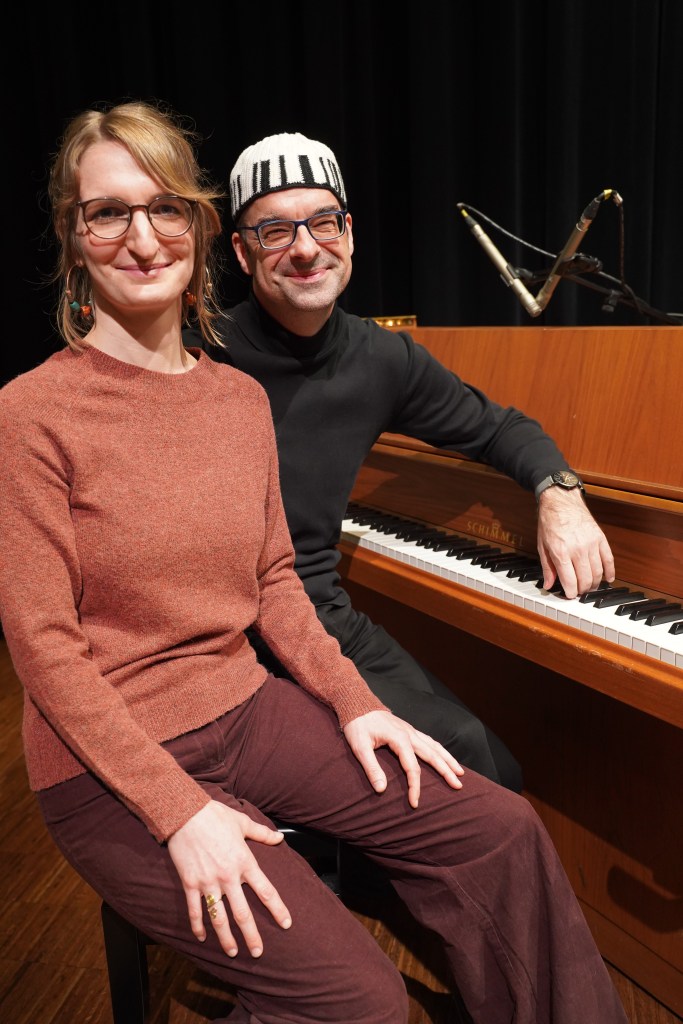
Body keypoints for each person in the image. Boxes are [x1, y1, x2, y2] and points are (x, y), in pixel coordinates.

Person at [0, 99, 628, 1024]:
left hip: (246, 706)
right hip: (109, 758)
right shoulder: (32, 410)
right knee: (360, 1003)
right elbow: (42, 644)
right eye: (108, 212)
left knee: (497, 826)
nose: (141, 236)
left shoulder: (236, 399)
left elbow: (275, 580)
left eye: (164, 207)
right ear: (73, 235)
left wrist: (356, 704)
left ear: (196, 229)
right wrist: (179, 810)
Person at [184, 131, 616, 794]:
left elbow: (500, 428)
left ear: (349, 233)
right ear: (242, 252)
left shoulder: (381, 358)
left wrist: (559, 493)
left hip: (324, 618)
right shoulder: (198, 355)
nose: (306, 248)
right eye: (275, 231)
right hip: (229, 646)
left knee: (489, 766)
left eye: (324, 222)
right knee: (453, 771)